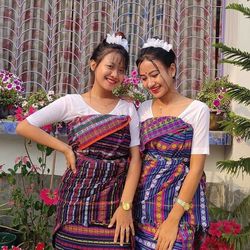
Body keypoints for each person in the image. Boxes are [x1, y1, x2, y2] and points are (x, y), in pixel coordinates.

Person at [16, 32, 141, 249]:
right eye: (110, 66)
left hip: (113, 203)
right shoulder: (71, 103)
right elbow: (24, 126)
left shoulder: (128, 108)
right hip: (74, 201)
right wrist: (64, 148)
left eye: (121, 70)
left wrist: (126, 207)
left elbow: (136, 159)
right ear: (93, 64)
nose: (115, 74)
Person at [133, 38, 210, 250]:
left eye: (155, 75)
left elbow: (196, 169)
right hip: (143, 205)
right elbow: (136, 160)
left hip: (178, 205)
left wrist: (173, 219)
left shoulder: (197, 110)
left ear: (172, 69)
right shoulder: (142, 110)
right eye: (144, 78)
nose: (150, 83)